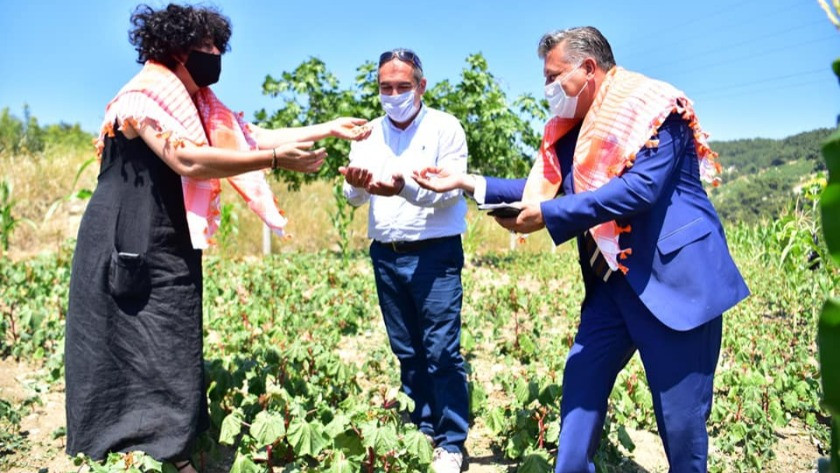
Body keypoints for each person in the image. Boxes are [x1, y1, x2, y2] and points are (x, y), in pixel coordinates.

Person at [413, 27, 749, 473]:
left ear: (587, 68)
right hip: (611, 291)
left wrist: (549, 216)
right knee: (576, 414)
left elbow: (639, 190)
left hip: (674, 284)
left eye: (554, 77)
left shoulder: (653, 110)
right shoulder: (576, 133)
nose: (548, 89)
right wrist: (466, 182)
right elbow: (549, 188)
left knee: (683, 436)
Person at [64, 4, 369, 471]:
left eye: (218, 46)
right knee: (129, 333)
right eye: (208, 47)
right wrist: (272, 162)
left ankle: (165, 442)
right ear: (177, 49)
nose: (216, 55)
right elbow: (189, 160)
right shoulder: (144, 97)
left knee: (169, 332)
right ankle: (145, 448)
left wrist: (327, 127)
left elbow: (247, 136)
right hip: (128, 230)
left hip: (165, 231)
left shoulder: (199, 105)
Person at [339, 48, 469, 473]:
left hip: (435, 255)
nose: (393, 94)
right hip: (386, 255)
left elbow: (449, 192)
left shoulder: (446, 129)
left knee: (442, 352)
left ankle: (451, 442)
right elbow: (354, 194)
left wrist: (404, 190)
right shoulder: (369, 132)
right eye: (385, 87)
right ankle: (422, 426)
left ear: (421, 86)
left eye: (402, 86)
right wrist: (356, 185)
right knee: (407, 351)